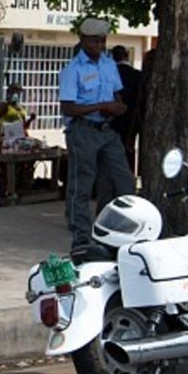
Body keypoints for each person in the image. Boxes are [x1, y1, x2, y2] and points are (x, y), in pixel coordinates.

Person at [59, 17, 134, 248]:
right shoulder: (72, 70)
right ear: (83, 40)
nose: (98, 46)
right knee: (81, 186)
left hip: (107, 130)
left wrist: (118, 107)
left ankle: (111, 231)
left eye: (102, 41)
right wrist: (102, 106)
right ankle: (81, 237)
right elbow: (68, 107)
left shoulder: (108, 64)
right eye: (94, 41)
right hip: (83, 131)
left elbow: (117, 94)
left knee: (123, 182)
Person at [108, 46, 141, 173]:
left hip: (110, 122)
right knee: (127, 161)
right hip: (131, 123)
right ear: (126, 56)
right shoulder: (136, 75)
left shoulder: (109, 75)